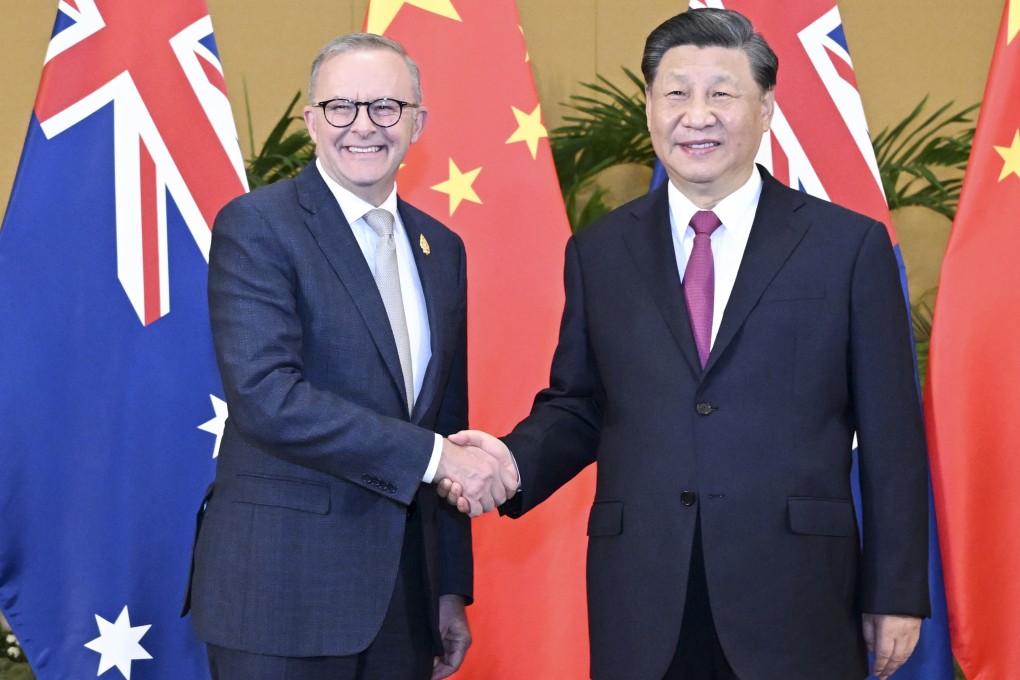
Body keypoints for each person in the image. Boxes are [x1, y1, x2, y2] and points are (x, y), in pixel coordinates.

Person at [442, 8, 930, 680]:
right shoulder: (600, 251)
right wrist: (512, 462)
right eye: (675, 93)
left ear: (765, 109)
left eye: (721, 93)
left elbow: (893, 435)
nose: (696, 115)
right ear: (649, 108)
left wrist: (897, 592)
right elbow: (581, 405)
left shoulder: (847, 247)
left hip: (796, 595)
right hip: (643, 594)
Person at [184, 33, 514, 679]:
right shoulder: (258, 224)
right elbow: (267, 397)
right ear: (311, 120)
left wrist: (447, 586)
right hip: (280, 595)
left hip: (403, 598)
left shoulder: (440, 247)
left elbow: (442, 414)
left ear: (418, 122)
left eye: (387, 107)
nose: (363, 126)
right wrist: (437, 457)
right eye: (341, 107)